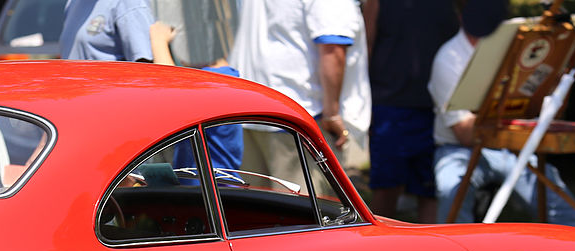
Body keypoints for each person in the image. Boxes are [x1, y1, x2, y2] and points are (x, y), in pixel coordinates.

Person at [428, 10, 575, 229]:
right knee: (451, 188)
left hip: (509, 148)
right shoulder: (449, 57)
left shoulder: (512, 43)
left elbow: (535, 106)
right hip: (459, 148)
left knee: (561, 205)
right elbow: (464, 133)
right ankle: (456, 247)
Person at [228, 0, 370, 170]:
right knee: (306, 188)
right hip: (297, 115)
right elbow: (333, 49)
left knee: (252, 186)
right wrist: (331, 114)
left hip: (247, 106)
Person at [361, 0, 457, 222]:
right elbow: (366, 46)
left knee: (431, 190)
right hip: (389, 104)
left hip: (437, 104)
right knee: (386, 187)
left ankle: (431, 245)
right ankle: (379, 242)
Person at [149, 22, 243, 173]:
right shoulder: (210, 79)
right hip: (195, 182)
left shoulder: (220, 81)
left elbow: (170, 93)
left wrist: (158, 41)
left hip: (216, 185)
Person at [61, 0, 155, 62]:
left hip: (108, 86)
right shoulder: (73, 3)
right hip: (72, 86)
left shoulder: (129, 3)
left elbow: (144, 67)